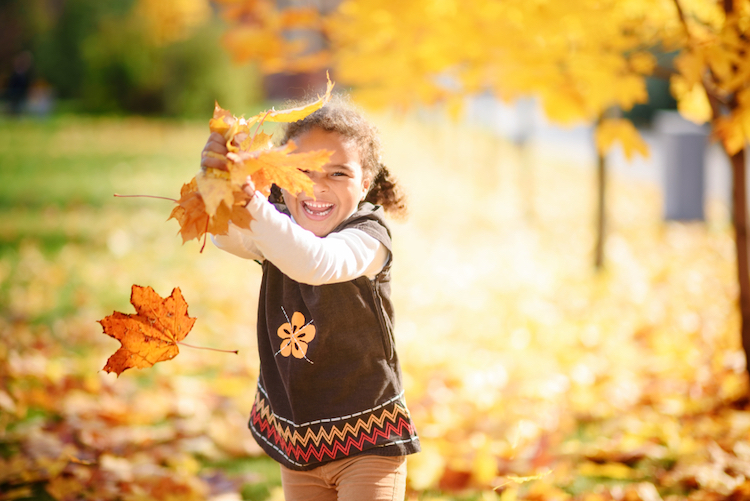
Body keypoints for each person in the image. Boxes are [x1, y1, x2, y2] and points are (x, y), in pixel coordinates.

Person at [201, 95, 420, 501]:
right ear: (281, 177)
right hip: (300, 439)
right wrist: (221, 180)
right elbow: (225, 236)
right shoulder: (276, 226)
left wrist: (251, 202)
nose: (318, 186)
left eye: (338, 173)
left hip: (369, 439)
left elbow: (314, 263)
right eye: (302, 170)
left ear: (365, 183)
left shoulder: (367, 237)